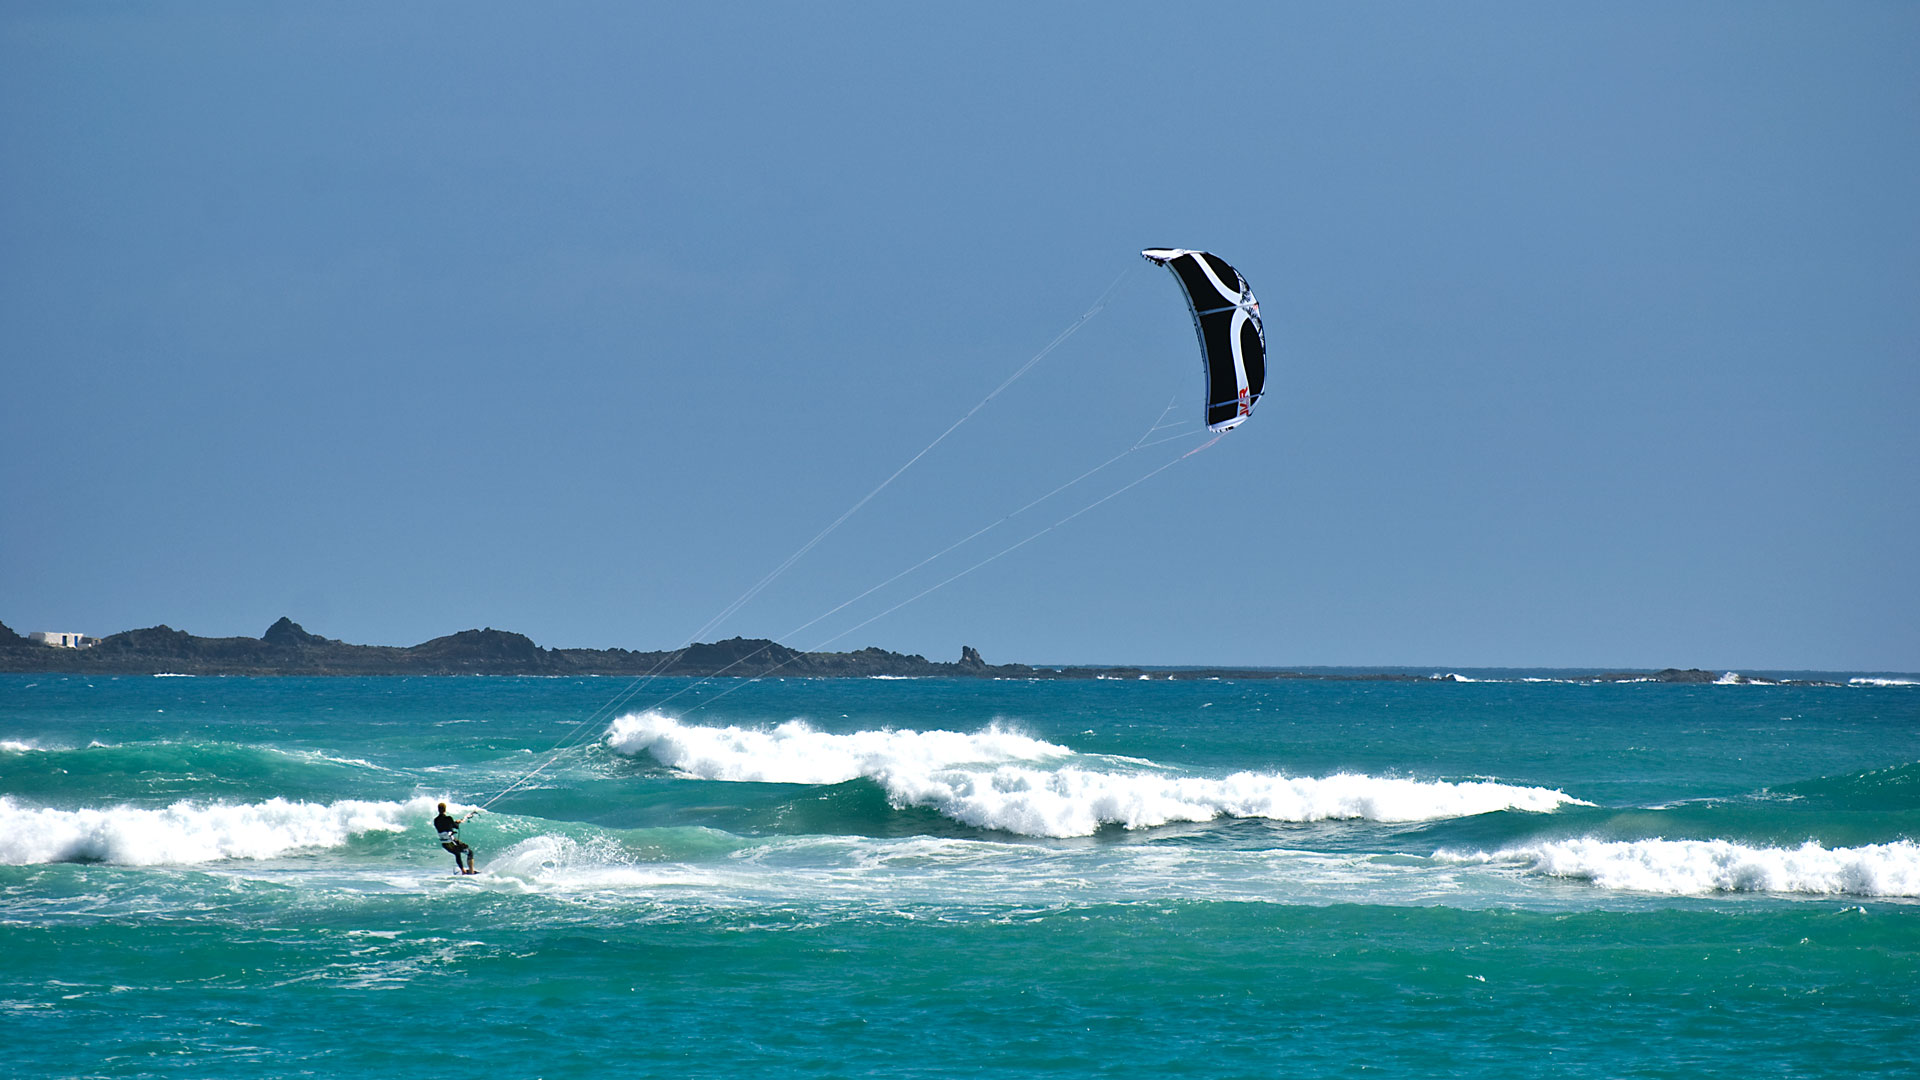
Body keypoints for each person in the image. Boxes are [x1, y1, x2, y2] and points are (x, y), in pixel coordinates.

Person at [433, 802, 478, 874]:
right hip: (452, 843)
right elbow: (455, 826)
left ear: (438, 810)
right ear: (445, 809)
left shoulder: (436, 820)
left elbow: (446, 826)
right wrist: (457, 822)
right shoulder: (448, 818)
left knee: (457, 853)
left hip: (445, 844)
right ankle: (471, 872)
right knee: (470, 852)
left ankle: (463, 870)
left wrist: (454, 823)